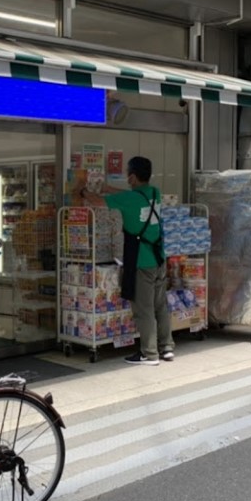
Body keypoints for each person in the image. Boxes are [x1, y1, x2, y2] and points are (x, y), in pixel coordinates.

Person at [81, 156, 173, 366]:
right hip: (159, 258)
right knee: (160, 305)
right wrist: (108, 188)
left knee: (144, 309)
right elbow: (130, 195)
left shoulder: (130, 200)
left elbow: (98, 202)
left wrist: (83, 191)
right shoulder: (154, 193)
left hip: (142, 261)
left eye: (128, 174)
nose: (126, 178)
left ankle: (149, 354)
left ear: (132, 177)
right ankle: (166, 347)